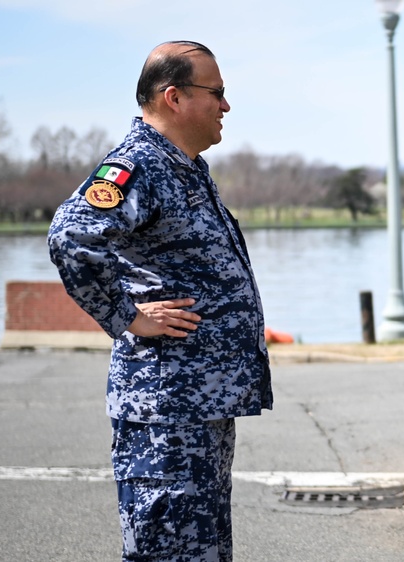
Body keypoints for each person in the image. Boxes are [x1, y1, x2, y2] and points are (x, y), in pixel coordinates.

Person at [47, 41, 272, 561]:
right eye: (216, 92)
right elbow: (72, 235)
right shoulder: (138, 166)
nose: (225, 105)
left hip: (199, 408)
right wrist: (128, 317)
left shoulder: (185, 167)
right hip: (165, 410)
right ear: (174, 97)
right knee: (165, 551)